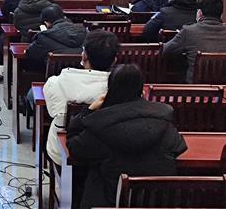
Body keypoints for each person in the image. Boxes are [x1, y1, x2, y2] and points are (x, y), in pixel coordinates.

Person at [65, 64, 187, 209]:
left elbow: (74, 147)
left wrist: (87, 111)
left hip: (110, 203)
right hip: (158, 203)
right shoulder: (163, 120)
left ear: (110, 90)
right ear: (142, 91)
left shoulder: (100, 125)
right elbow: (179, 146)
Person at [43, 30, 119, 165]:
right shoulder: (118, 87)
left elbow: (52, 112)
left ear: (84, 56)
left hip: (63, 151)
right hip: (106, 153)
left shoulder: (57, 82)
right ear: (114, 60)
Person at [162, 0, 226, 83]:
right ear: (221, 15)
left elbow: (166, 50)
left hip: (196, 87)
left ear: (200, 13)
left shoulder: (188, 31)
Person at [22, 4, 87, 73]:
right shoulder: (84, 31)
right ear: (64, 17)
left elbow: (30, 53)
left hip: (54, 77)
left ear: (46, 22)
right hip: (83, 76)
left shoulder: (44, 36)